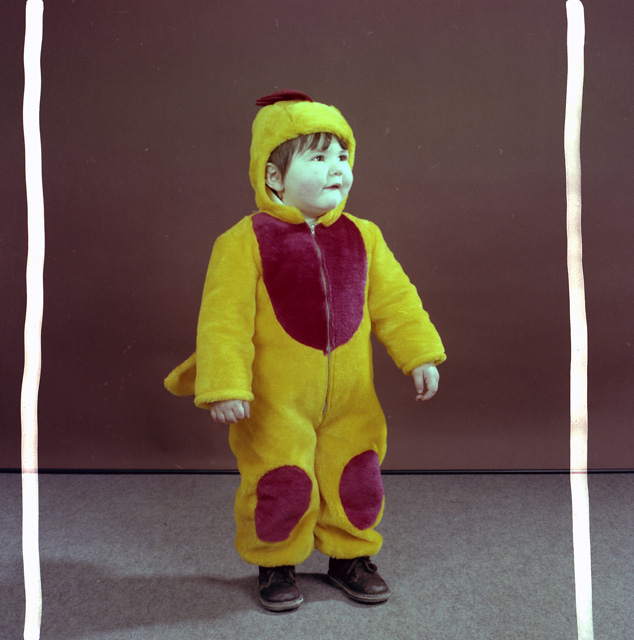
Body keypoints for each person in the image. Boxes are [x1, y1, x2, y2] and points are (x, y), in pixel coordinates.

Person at [165, 89, 446, 611]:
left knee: (357, 474)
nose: (337, 168)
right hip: (276, 402)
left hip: (351, 400)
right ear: (274, 177)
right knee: (281, 478)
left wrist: (420, 354)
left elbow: (397, 301)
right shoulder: (244, 241)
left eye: (343, 156)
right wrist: (225, 385)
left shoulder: (365, 237)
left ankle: (350, 556)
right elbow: (223, 320)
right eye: (318, 158)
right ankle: (275, 563)